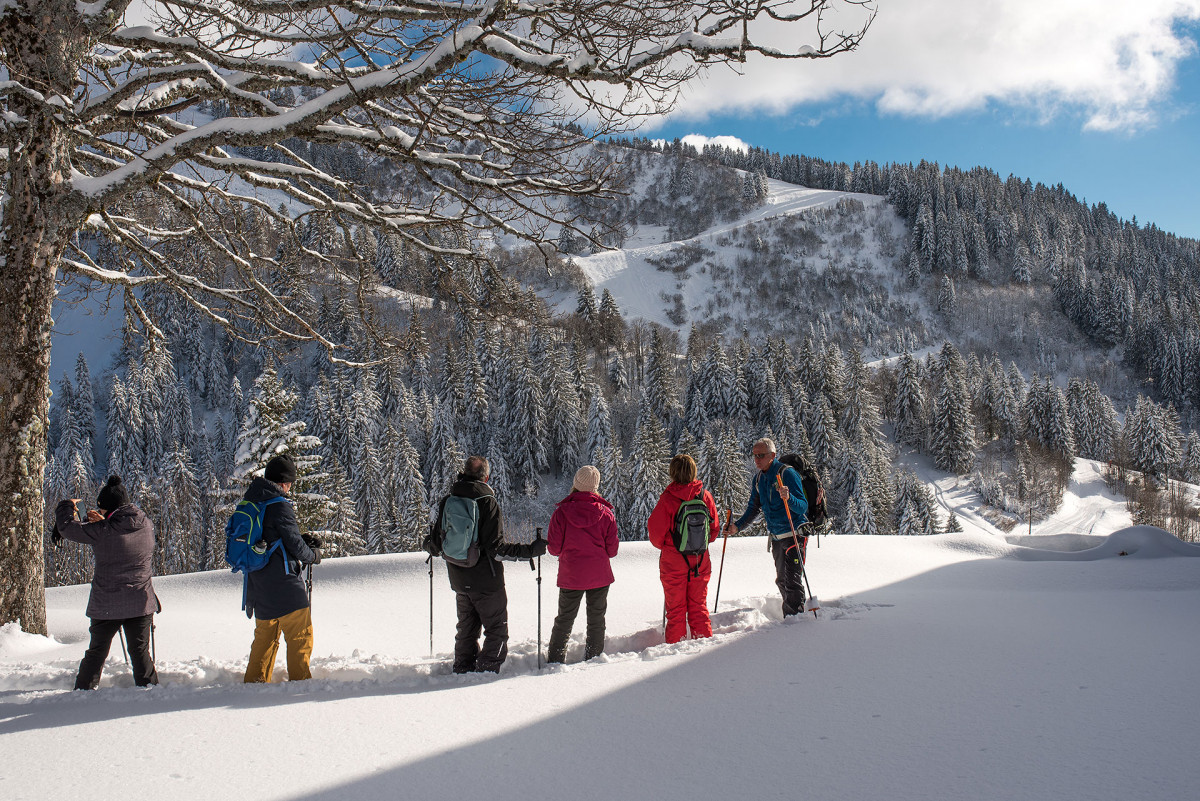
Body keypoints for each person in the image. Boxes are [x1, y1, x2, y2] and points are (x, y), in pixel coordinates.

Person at [425, 455, 546, 673]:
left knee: (466, 629)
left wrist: (428, 544)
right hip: (487, 582)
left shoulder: (448, 501)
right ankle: (487, 672)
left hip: (459, 577)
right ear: (486, 477)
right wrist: (530, 551)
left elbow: (435, 544)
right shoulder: (487, 502)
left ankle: (462, 668)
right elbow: (496, 549)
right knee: (496, 628)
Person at [54, 475, 160, 690]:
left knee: (97, 652)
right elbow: (121, 536)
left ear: (109, 509)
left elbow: (66, 528)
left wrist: (68, 505)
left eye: (102, 509)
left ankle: (84, 691)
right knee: (140, 652)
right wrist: (104, 521)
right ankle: (149, 690)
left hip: (107, 604)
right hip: (141, 601)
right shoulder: (146, 525)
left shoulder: (102, 532)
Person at [242, 454, 323, 683]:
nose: (290, 488)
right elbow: (295, 546)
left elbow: (276, 537)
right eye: (289, 483)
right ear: (283, 482)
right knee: (300, 635)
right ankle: (300, 682)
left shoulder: (252, 501)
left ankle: (253, 685)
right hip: (285, 585)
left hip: (258, 585)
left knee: (265, 639)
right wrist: (314, 555)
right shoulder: (278, 505)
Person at [724, 438, 810, 617]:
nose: (757, 459)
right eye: (754, 455)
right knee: (781, 580)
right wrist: (737, 528)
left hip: (795, 535)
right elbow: (753, 508)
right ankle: (793, 617)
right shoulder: (758, 479)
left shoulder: (787, 474)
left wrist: (789, 498)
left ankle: (796, 623)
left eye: (761, 455)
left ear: (773, 455)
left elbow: (802, 506)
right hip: (777, 538)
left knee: (792, 581)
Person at [546, 465, 619, 663]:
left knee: (564, 620)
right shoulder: (606, 513)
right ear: (595, 487)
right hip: (599, 575)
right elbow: (612, 550)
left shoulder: (561, 513)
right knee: (596, 620)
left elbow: (553, 549)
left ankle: (555, 659)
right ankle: (594, 658)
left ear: (576, 484)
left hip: (571, 575)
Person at [647, 454, 719, 644]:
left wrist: (670, 547)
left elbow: (655, 535)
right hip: (700, 561)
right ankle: (703, 647)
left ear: (672, 473)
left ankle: (675, 651)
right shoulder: (704, 496)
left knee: (676, 611)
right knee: (699, 608)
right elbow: (714, 530)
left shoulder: (668, 499)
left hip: (673, 563)